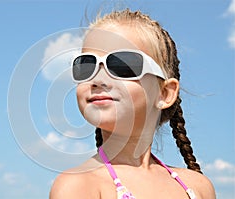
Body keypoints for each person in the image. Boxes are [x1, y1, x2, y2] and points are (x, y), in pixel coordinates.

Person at [49, 8, 216, 199]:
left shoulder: (198, 187)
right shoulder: (78, 185)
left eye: (121, 65)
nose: (98, 79)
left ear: (164, 93)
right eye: (86, 66)